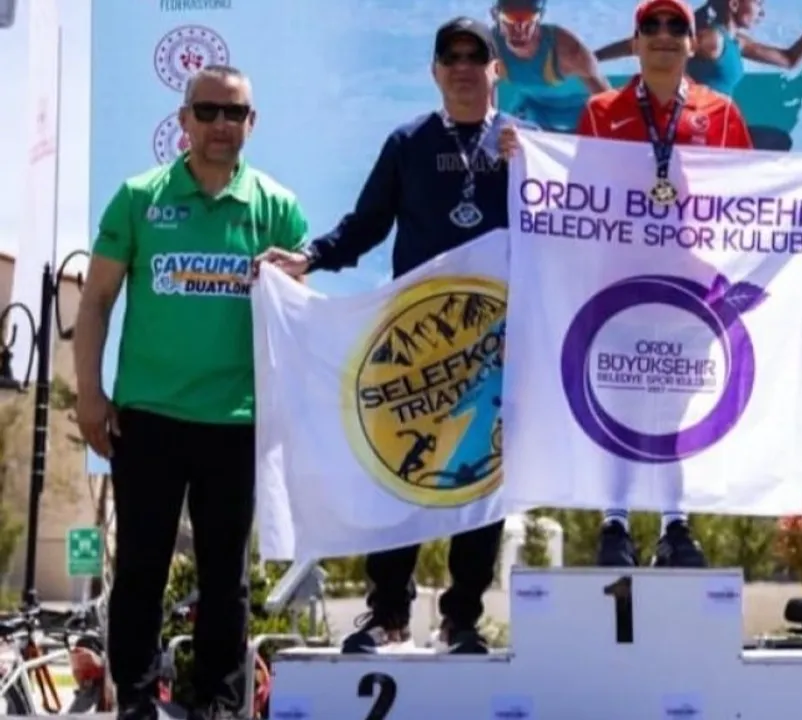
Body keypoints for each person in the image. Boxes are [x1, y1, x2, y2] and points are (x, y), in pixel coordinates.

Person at [499, 0, 802, 569]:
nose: (663, 34)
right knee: (616, 394)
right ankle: (614, 523)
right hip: (617, 280)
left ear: (692, 42)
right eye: (651, 26)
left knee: (677, 405)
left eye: (675, 26)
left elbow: (748, 190)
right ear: (635, 43)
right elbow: (577, 189)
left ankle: (674, 524)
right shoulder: (602, 111)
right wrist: (527, 162)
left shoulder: (720, 111)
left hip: (690, 284)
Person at [256, 17, 530, 657]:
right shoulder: (408, 142)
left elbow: (566, 219)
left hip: (494, 344)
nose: (462, 66)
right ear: (434, 71)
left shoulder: (524, 144)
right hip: (416, 340)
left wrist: (534, 166)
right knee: (397, 473)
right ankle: (387, 614)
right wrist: (309, 257)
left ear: (496, 69)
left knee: (479, 478)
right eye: (450, 57)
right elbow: (367, 224)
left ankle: (463, 619)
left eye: (475, 56)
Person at [74, 65, 307, 720]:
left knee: (226, 577)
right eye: (207, 112)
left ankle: (218, 706)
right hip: (148, 417)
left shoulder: (277, 207)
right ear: (183, 121)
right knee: (140, 569)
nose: (220, 125)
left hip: (236, 420)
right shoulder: (138, 197)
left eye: (234, 113)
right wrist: (89, 394)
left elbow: (298, 316)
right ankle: (138, 701)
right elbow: (95, 302)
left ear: (252, 123)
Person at [595, 0, 802, 149]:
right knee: (775, 142)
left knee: (777, 142)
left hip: (720, 130)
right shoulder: (712, 40)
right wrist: (593, 59)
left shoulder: (737, 42)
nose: (762, 12)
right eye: (758, 3)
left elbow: (789, 60)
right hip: (697, 131)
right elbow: (649, 43)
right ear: (734, 5)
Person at [492, 0, 611, 131]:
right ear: (495, 17)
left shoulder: (567, 50)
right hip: (533, 109)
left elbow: (605, 98)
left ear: (538, 19)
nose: (519, 29)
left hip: (581, 110)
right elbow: (485, 99)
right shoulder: (491, 48)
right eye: (510, 18)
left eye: (528, 18)